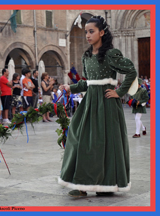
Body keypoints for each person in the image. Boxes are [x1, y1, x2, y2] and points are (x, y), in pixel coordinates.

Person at [58, 16, 137, 197]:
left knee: (104, 144)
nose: (87, 35)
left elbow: (131, 71)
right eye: (86, 31)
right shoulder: (86, 55)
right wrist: (70, 87)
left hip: (107, 104)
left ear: (102, 33)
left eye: (91, 31)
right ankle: (83, 183)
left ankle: (105, 184)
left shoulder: (111, 54)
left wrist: (119, 92)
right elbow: (87, 83)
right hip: (89, 104)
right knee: (80, 140)